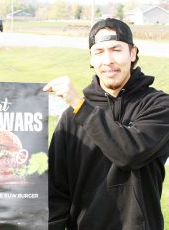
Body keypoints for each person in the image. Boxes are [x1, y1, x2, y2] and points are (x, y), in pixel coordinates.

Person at [44, 18, 169, 229]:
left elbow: (129, 153)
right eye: (99, 52)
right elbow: (57, 190)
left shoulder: (158, 105)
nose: (108, 60)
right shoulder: (70, 117)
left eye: (116, 49)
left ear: (132, 53)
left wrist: (81, 107)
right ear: (91, 59)